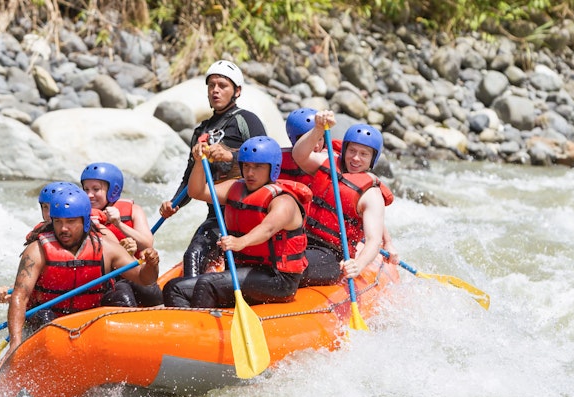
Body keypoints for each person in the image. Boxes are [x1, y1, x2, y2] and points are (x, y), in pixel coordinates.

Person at [5, 185, 160, 353]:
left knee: (120, 298)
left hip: (90, 320)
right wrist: (15, 341)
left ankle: (128, 351)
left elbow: (145, 279)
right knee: (45, 318)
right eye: (58, 222)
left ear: (85, 221)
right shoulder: (37, 250)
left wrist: (152, 265)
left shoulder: (107, 248)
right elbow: (20, 296)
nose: (63, 229)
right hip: (49, 319)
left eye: (70, 222)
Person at [163, 136, 311, 308]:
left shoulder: (283, 202)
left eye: (257, 167)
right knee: (174, 288)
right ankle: (186, 328)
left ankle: (203, 329)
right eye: (246, 166)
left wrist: (240, 242)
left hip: (277, 278)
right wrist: (198, 163)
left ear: (273, 168)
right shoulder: (235, 188)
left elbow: (267, 229)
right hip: (243, 271)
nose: (250, 173)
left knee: (206, 284)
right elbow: (197, 191)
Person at [158, 60, 267, 278]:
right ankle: (188, 302)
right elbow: (190, 177)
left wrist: (233, 155)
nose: (215, 90)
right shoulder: (201, 131)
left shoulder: (247, 120)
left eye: (222, 85)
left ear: (237, 91)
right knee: (193, 257)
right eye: (211, 85)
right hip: (217, 216)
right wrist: (174, 204)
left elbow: (268, 158)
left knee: (233, 262)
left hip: (248, 213)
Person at [281, 108, 400, 265]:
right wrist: (318, 128)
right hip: (302, 236)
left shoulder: (367, 189)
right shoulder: (315, 162)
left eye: (364, 154)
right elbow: (299, 154)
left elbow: (370, 216)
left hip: (333, 247)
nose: (356, 158)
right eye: (352, 151)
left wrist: (387, 242)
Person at [81, 162, 163, 306]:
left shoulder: (133, 210)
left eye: (96, 189)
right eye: (86, 189)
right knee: (123, 293)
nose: (89, 195)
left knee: (151, 293)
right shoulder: (79, 216)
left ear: (113, 190)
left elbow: (147, 243)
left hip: (135, 273)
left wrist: (119, 224)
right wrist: (121, 248)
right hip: (107, 280)